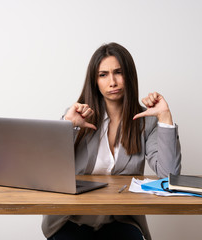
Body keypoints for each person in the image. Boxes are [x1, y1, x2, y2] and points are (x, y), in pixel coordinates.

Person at [42, 42, 181, 240]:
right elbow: (48, 170)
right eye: (103, 75)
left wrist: (165, 118)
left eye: (118, 72)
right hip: (71, 220)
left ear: (130, 76)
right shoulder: (76, 116)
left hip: (121, 221)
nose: (112, 82)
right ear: (95, 81)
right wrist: (68, 126)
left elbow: (170, 177)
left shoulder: (146, 122)